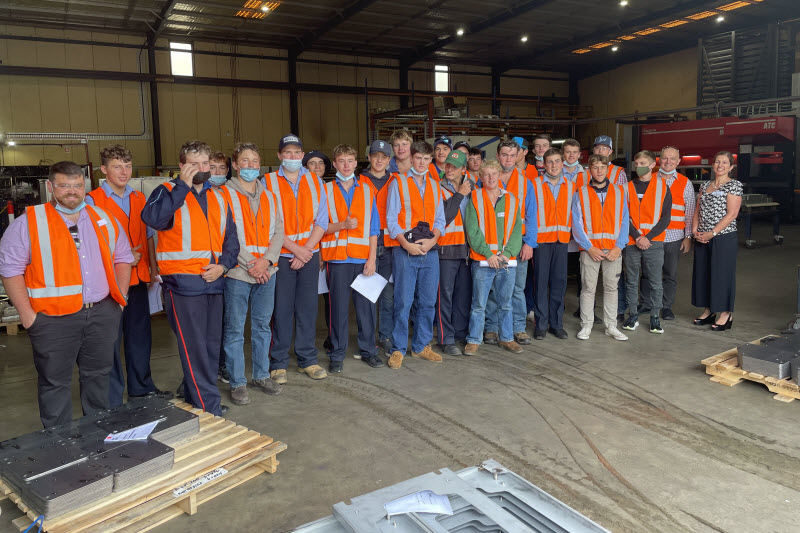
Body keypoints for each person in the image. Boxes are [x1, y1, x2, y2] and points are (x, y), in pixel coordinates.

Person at [1, 161, 132, 427]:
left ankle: (97, 434)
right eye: (64, 186)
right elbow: (10, 270)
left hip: (102, 312)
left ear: (85, 186)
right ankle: (58, 445)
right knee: (54, 383)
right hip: (51, 320)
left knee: (98, 376)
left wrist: (120, 299)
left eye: (77, 185)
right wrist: (27, 315)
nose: (71, 191)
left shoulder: (104, 219)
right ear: (50, 187)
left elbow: (123, 257)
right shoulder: (29, 223)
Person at [142, 141, 239, 417]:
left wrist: (223, 267)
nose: (201, 168)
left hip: (214, 283)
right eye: (194, 163)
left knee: (210, 347)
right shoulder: (166, 191)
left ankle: (192, 391)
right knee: (194, 349)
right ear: (181, 165)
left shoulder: (219, 197)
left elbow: (231, 240)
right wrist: (182, 188)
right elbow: (153, 219)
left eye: (205, 163)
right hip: (182, 286)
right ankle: (208, 407)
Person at [86, 145, 170, 408]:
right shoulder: (92, 200)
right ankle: (111, 400)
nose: (124, 172)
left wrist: (153, 268)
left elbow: (148, 237)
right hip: (108, 283)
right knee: (109, 341)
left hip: (138, 280)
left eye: (127, 166)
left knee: (139, 336)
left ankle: (141, 388)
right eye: (116, 166)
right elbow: (89, 245)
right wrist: (122, 258)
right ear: (104, 170)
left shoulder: (138, 198)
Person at [220, 142, 284, 406]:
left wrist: (267, 261)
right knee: (234, 329)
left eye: (254, 161)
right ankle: (237, 382)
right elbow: (224, 237)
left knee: (261, 326)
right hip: (238, 272)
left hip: (267, 272)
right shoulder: (223, 194)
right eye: (244, 161)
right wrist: (253, 265)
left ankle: (261, 375)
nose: (250, 166)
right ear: (235, 165)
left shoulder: (270, 195)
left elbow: (279, 232)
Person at [264, 134, 329, 382]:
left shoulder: (315, 181)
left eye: (297, 153)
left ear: (303, 156)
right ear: (279, 155)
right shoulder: (267, 182)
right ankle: (278, 362)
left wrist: (307, 250)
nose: (292, 157)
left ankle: (307, 359)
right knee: (281, 310)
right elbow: (268, 224)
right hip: (281, 255)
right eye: (287, 153)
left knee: (307, 308)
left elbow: (321, 220)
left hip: (308, 254)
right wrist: (296, 249)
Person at [321, 144, 382, 372]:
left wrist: (372, 259)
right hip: (336, 259)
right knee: (338, 309)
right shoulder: (325, 191)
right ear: (334, 164)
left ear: (356, 163)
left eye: (350, 160)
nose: (346, 165)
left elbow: (373, 229)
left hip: (361, 259)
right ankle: (336, 354)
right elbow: (319, 227)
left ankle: (369, 351)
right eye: (341, 161)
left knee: (366, 308)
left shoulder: (367, 191)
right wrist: (342, 225)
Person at [385, 141, 445, 368]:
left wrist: (432, 241)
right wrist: (406, 245)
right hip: (405, 251)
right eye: (418, 158)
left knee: (428, 302)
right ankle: (398, 348)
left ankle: (421, 346)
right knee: (403, 302)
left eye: (426, 159)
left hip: (430, 252)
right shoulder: (398, 182)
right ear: (411, 158)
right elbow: (391, 219)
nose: (422, 162)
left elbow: (439, 219)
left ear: (431, 161)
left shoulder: (435, 186)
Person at [464, 160, 523, 356]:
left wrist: (506, 254)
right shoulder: (474, 197)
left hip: (506, 261)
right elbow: (472, 231)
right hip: (483, 261)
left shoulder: (512, 200)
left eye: (494, 174)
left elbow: (516, 230)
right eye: (486, 174)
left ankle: (507, 338)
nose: (490, 178)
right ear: (480, 177)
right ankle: (474, 339)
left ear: (499, 176)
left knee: (505, 303)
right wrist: (488, 254)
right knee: (479, 303)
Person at [571, 155, 629, 341]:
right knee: (588, 288)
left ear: (607, 169)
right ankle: (586, 325)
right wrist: (589, 247)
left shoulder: (619, 192)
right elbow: (576, 223)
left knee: (612, 288)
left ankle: (611, 325)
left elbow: (624, 221)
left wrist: (619, 246)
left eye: (602, 167)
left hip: (613, 250)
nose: (599, 171)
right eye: (595, 167)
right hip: (591, 250)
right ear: (589, 170)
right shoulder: (580, 192)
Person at [484, 140, 536, 346]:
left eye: (512, 155)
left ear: (518, 157)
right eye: (504, 154)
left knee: (516, 288)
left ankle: (518, 327)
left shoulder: (526, 183)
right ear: (497, 156)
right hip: (492, 245)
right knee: (492, 288)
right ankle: (491, 327)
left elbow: (532, 215)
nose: (508, 159)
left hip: (518, 245)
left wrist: (529, 243)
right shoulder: (488, 181)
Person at [639, 146, 695, 320]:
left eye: (672, 159)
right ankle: (646, 304)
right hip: (652, 236)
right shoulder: (649, 178)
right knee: (648, 272)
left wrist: (687, 237)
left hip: (674, 236)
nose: (668, 161)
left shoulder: (685, 183)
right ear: (658, 160)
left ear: (678, 161)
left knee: (670, 273)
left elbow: (691, 211)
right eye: (665, 158)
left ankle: (666, 306)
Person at [622, 150, 672, 335]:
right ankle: (633, 315)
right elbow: (623, 216)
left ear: (652, 165)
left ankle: (655, 318)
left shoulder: (663, 186)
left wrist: (647, 238)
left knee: (655, 281)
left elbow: (666, 218)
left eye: (643, 162)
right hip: (631, 241)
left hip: (654, 242)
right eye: (636, 163)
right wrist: (637, 237)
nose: (638, 166)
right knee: (631, 281)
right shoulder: (626, 187)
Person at [692, 151, 742, 331]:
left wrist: (712, 233)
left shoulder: (734, 186)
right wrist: (694, 230)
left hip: (723, 237)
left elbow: (732, 214)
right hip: (702, 237)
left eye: (725, 162)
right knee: (705, 274)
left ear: (731, 167)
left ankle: (725, 314)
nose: (720, 165)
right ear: (713, 165)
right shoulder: (705, 185)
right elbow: (697, 209)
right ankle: (709, 310)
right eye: (717, 162)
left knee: (722, 275)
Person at [531, 148, 574, 340]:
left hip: (562, 241)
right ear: (544, 164)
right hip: (541, 242)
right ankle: (540, 325)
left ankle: (556, 324)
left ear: (562, 164)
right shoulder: (534, 185)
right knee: (540, 284)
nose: (554, 165)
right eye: (550, 162)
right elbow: (529, 214)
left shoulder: (571, 186)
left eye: (557, 161)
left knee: (559, 283)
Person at [436, 150, 474, 356]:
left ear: (463, 170)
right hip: (446, 250)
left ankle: (460, 333)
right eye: (447, 165)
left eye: (454, 167)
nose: (449, 169)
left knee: (463, 295)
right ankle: (446, 337)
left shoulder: (473, 187)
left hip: (467, 251)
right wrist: (459, 194)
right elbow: (444, 217)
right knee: (445, 296)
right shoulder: (438, 188)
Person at [360, 140, 395, 355]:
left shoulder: (398, 181)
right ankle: (368, 339)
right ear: (370, 158)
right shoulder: (358, 182)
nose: (379, 160)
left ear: (389, 160)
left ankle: (385, 336)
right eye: (375, 156)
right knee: (367, 297)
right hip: (367, 247)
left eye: (384, 156)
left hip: (391, 246)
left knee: (388, 296)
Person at [592, 135, 629, 322]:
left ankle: (619, 310)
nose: (600, 151)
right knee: (589, 282)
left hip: (612, 234)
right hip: (592, 236)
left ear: (610, 152)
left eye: (604, 148)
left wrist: (619, 242)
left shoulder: (618, 173)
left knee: (613, 281)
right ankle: (588, 311)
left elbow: (622, 206)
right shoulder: (585, 172)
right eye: (597, 148)